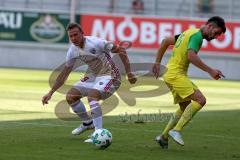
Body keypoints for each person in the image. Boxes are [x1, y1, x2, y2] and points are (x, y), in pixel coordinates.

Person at [42, 23, 137, 142]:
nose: (73, 38)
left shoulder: (97, 43)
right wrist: (51, 92)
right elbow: (64, 73)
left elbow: (121, 50)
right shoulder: (72, 50)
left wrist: (129, 73)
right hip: (94, 76)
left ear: (82, 33)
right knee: (71, 96)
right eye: (71, 36)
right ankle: (88, 123)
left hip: (111, 75)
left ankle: (98, 133)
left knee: (92, 96)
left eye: (76, 35)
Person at [152, 16, 226, 148]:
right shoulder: (197, 37)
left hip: (170, 74)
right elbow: (191, 56)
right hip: (176, 75)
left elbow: (165, 41)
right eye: (215, 33)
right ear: (209, 26)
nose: (214, 37)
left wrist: (157, 63)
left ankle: (163, 137)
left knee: (185, 108)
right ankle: (176, 130)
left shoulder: (189, 32)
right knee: (201, 100)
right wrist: (210, 70)